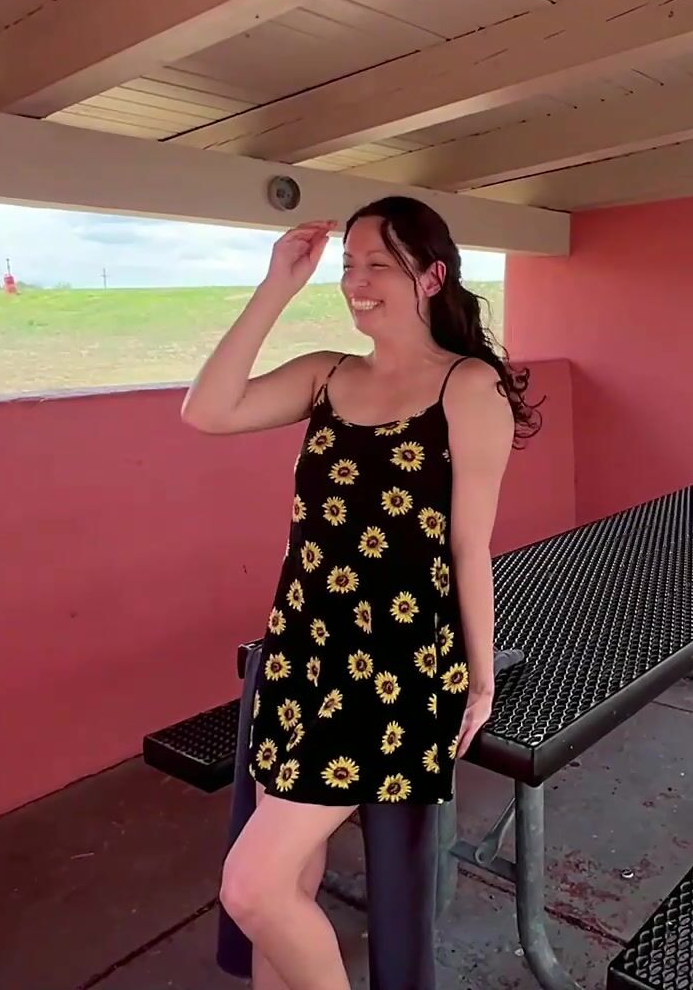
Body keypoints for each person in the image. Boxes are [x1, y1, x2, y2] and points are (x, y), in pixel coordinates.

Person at [180, 195, 538, 989]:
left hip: (394, 670)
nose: (356, 282)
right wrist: (277, 286)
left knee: (252, 886)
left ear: (431, 277)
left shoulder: (467, 386)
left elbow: (468, 546)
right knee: (289, 882)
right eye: (348, 265)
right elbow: (206, 410)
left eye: (379, 264)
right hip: (300, 654)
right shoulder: (327, 375)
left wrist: (480, 679)